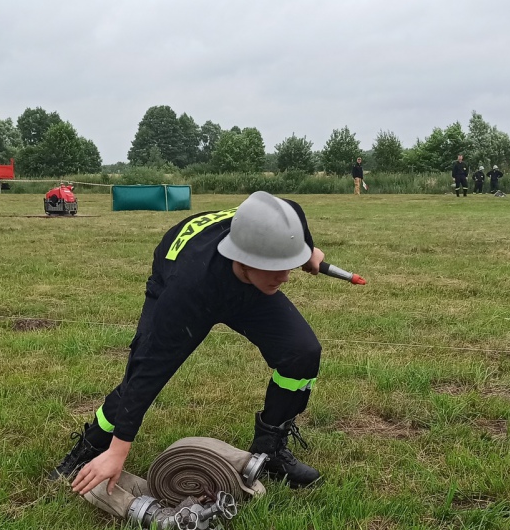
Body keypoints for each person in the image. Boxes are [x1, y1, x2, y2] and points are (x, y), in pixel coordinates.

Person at [55, 191, 328, 493]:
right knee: (140, 373)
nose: (286, 277)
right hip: (187, 277)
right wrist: (119, 453)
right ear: (244, 256)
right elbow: (149, 368)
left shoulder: (283, 219)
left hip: (245, 285)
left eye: (288, 265)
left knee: (302, 352)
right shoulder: (188, 288)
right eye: (277, 267)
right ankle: (93, 447)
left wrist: (307, 248)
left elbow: (293, 210)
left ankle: (270, 451)